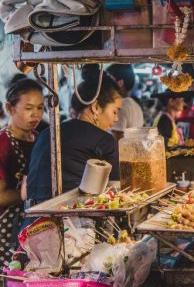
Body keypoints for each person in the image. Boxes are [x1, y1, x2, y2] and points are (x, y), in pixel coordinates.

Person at [26, 65, 122, 204]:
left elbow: (25, 190)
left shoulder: (47, 133)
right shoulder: (105, 140)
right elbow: (115, 191)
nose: (116, 118)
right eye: (115, 111)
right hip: (72, 218)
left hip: (32, 218)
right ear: (95, 107)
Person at [0, 76, 43, 262]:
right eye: (28, 108)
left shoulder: (40, 139)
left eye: (40, 108)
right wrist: (29, 194)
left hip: (34, 225)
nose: (36, 115)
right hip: (7, 230)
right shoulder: (3, 143)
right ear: (10, 108)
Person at [106, 64, 144, 141]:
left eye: (110, 79)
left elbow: (117, 141)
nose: (107, 83)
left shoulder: (120, 106)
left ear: (120, 82)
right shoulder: (135, 105)